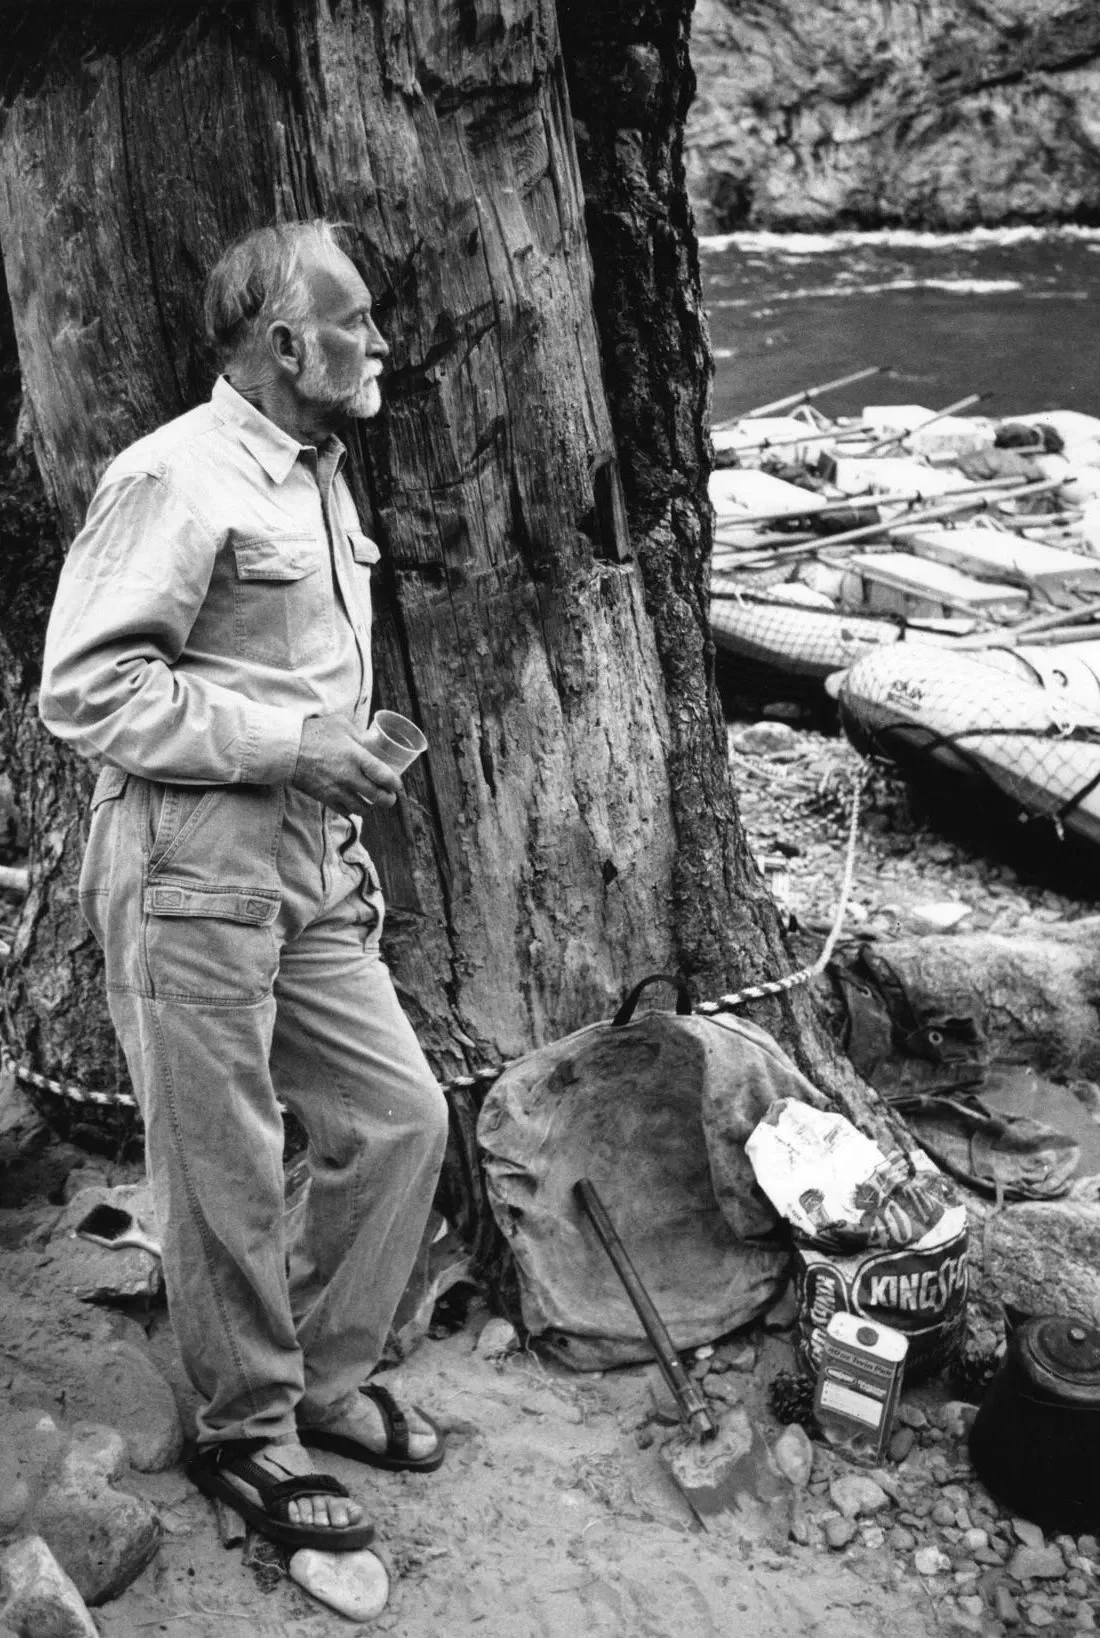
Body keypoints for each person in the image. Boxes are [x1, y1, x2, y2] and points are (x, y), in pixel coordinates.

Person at [38, 220, 450, 1554]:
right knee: (221, 1158)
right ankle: (246, 1428)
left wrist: (330, 770)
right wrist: (291, 745)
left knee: (398, 1118)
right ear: (282, 342)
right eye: (355, 319)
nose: (379, 341)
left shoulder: (320, 475)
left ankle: (320, 1380)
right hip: (191, 861)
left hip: (309, 859)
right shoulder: (171, 474)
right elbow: (85, 690)